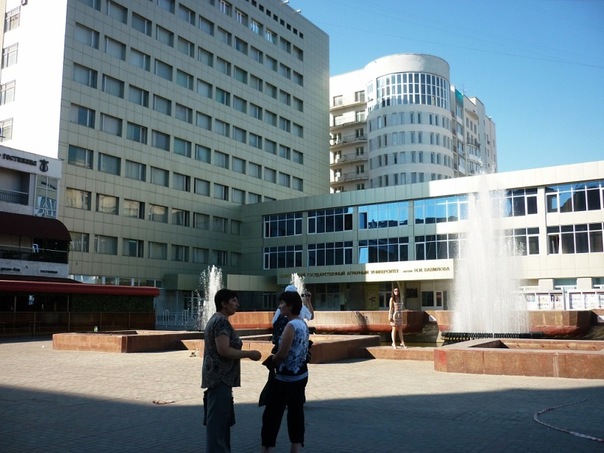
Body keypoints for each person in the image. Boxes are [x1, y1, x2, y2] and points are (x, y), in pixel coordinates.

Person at [201, 288, 262, 453]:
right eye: (233, 301)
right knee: (218, 426)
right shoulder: (221, 322)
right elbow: (224, 350)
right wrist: (249, 354)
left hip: (218, 379)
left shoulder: (216, 320)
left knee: (220, 423)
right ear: (223, 303)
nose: (237, 304)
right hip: (220, 379)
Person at [261, 290, 310, 453]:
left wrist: (271, 361)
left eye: (282, 303)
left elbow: (282, 353)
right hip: (300, 376)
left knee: (272, 416)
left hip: (285, 379)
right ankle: (295, 448)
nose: (280, 306)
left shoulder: (291, 326)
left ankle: (267, 448)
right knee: (296, 414)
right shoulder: (302, 323)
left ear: (290, 306)